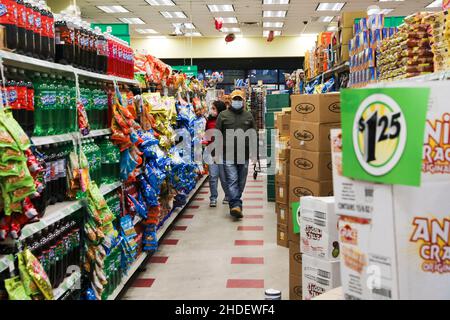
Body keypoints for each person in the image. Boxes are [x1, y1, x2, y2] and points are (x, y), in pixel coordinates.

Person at [216, 89, 257, 219]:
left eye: (240, 99)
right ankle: (235, 205)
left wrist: (255, 154)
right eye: (235, 99)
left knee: (241, 182)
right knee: (232, 180)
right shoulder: (223, 115)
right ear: (231, 100)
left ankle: (236, 202)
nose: (237, 102)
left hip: (243, 155)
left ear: (243, 101)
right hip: (228, 155)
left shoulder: (248, 116)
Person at [205, 101, 229, 207]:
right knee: (213, 176)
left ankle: (228, 195)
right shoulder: (209, 121)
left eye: (214, 108)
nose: (212, 110)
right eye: (212, 108)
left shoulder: (225, 121)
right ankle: (213, 197)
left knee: (224, 176)